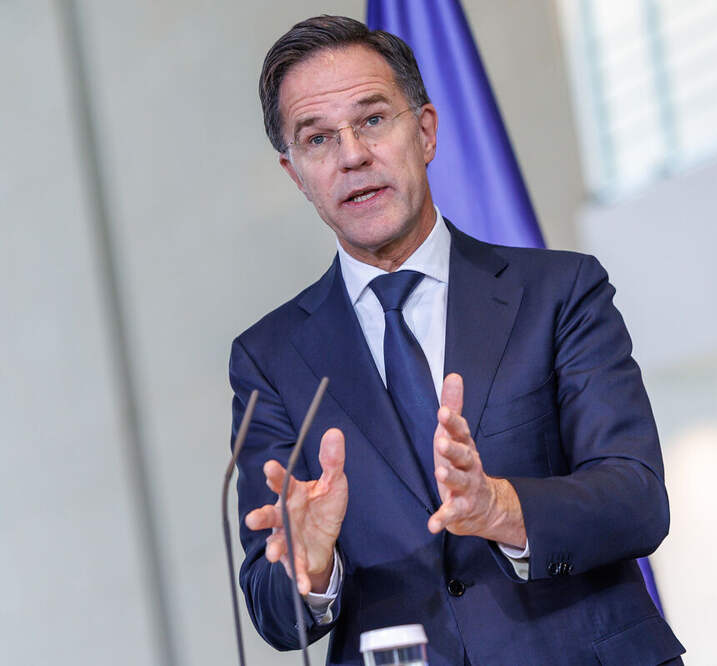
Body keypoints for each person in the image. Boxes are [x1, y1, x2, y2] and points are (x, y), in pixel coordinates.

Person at [230, 14, 685, 665]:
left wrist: (501, 507)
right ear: (296, 173)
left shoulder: (559, 292)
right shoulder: (269, 359)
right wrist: (312, 564)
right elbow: (273, 611)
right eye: (318, 138)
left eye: (372, 119)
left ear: (425, 131)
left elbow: (637, 500)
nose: (352, 155)